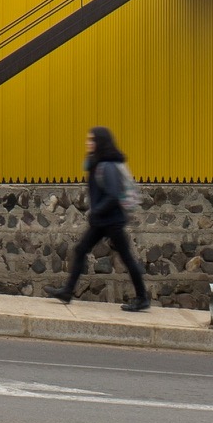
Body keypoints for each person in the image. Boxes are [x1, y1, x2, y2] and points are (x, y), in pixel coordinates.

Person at [53, 125, 151, 311]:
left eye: (91, 140)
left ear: (100, 142)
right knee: (81, 249)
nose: (87, 143)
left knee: (127, 258)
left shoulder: (108, 165)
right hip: (102, 220)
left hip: (111, 220)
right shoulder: (98, 162)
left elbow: (113, 194)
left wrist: (96, 210)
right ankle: (67, 291)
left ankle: (142, 298)